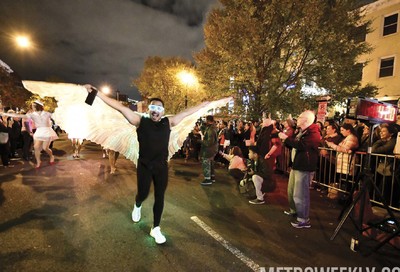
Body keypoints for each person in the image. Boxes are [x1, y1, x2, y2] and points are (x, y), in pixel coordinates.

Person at [84, 85, 211, 244]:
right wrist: (97, 94)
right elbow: (119, 107)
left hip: (161, 167)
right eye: (152, 107)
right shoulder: (139, 121)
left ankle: (156, 228)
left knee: (160, 196)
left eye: (159, 108)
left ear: (163, 111)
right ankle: (137, 204)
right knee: (143, 193)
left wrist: (205, 104)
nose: (155, 110)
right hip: (144, 165)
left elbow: (186, 112)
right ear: (148, 109)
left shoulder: (168, 122)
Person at [278, 110, 321, 228]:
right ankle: (294, 210)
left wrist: (286, 139)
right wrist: (286, 140)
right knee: (292, 190)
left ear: (306, 120)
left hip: (304, 166)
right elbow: (294, 144)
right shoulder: (303, 131)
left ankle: (303, 219)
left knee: (301, 193)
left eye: (300, 117)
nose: (298, 119)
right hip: (296, 165)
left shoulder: (313, 133)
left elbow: (302, 145)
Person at [1, 101, 58, 168]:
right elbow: (25, 120)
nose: (33, 107)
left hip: (46, 130)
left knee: (45, 148)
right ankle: (38, 162)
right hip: (39, 131)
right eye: (32, 106)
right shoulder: (32, 114)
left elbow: (49, 122)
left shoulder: (45, 114)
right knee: (36, 147)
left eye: (34, 106)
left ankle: (51, 156)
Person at [199, 115, 219, 186]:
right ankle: (212, 177)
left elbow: (209, 142)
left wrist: (201, 141)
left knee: (206, 162)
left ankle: (207, 179)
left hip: (209, 149)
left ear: (208, 120)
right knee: (211, 163)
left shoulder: (211, 129)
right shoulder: (212, 127)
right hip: (213, 149)